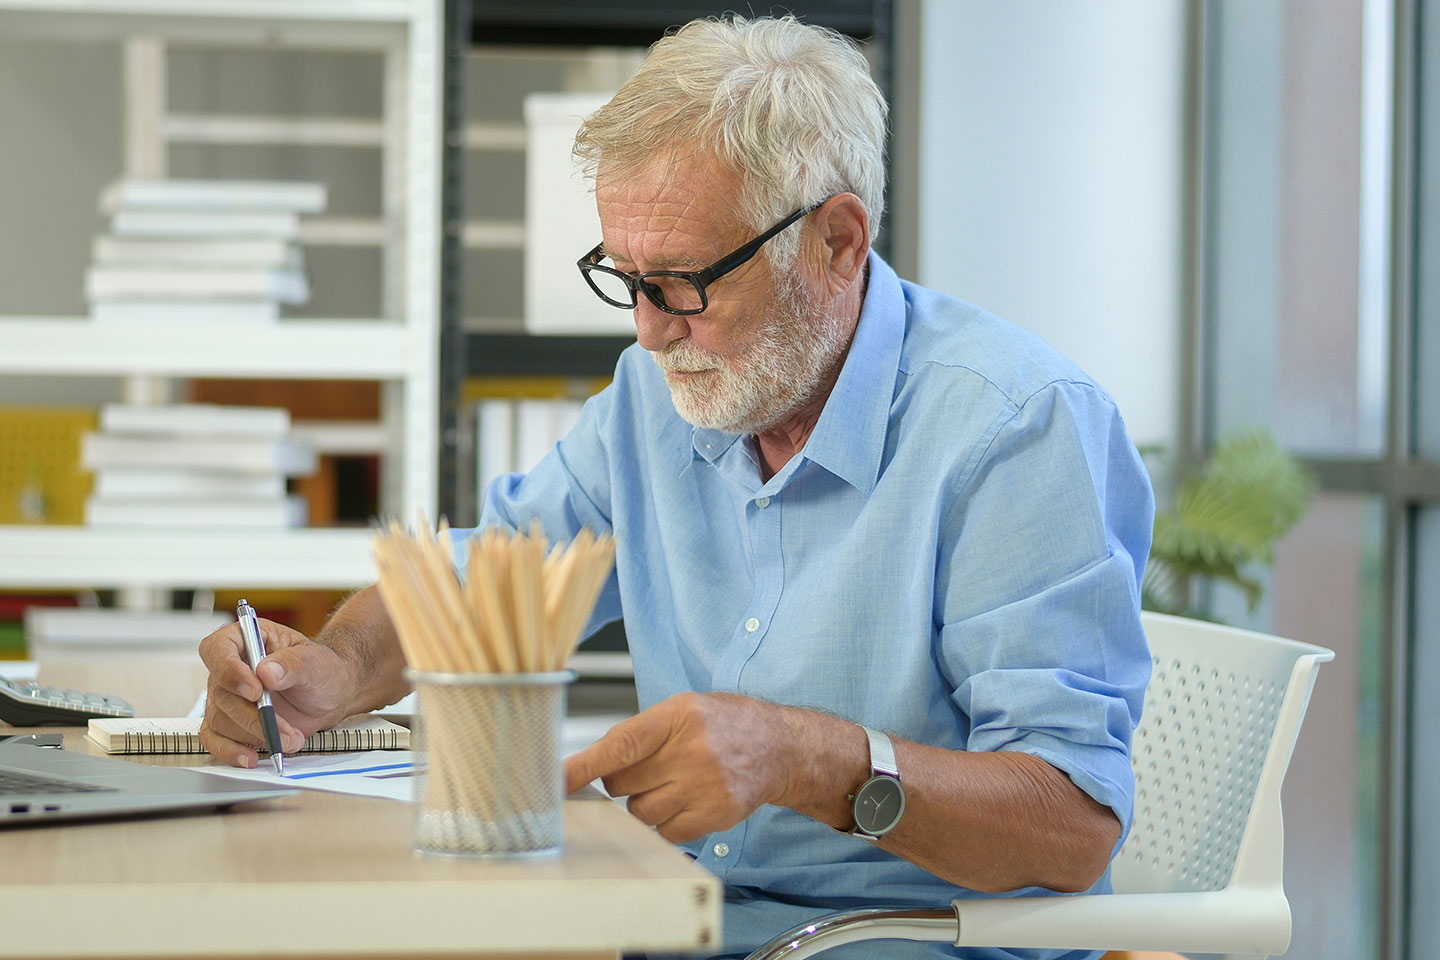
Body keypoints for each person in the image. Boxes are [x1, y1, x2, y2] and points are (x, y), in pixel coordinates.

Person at [198, 15, 1153, 960]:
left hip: (896, 942)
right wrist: (334, 672)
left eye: (686, 283)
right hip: (665, 917)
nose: (651, 333)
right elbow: (484, 580)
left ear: (837, 242)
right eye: (628, 279)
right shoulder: (653, 402)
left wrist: (807, 761)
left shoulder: (1016, 428)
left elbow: (1072, 824)